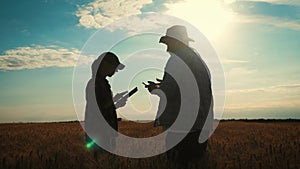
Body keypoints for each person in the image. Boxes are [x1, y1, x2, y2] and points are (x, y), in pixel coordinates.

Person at [144, 25, 214, 168]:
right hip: (201, 125)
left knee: (177, 163)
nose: (167, 48)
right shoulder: (198, 61)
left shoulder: (176, 60)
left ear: (177, 42)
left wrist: (153, 89)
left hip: (181, 128)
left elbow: (169, 92)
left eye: (168, 43)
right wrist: (163, 84)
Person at [84, 52, 127, 158]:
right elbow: (100, 109)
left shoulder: (97, 82)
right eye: (115, 67)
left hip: (100, 131)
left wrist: (115, 101)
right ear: (105, 65)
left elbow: (101, 105)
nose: (116, 71)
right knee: (103, 160)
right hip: (101, 132)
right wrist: (116, 103)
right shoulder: (98, 84)